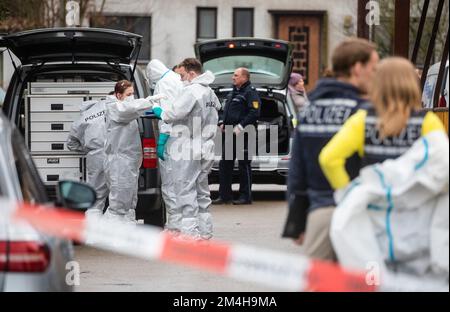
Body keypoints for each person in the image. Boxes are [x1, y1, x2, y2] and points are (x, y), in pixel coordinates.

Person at [281, 38, 379, 261]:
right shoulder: (365, 111)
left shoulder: (310, 110)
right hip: (360, 216)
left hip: (320, 213)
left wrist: (297, 220)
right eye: (373, 68)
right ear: (357, 68)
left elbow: (297, 169)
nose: (376, 75)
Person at [319, 57, 446, 191]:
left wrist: (347, 192)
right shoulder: (427, 121)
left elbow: (328, 159)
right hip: (415, 205)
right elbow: (444, 162)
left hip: (373, 204)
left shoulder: (363, 119)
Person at [152, 58, 220, 239]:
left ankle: (190, 235)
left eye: (182, 75)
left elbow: (174, 113)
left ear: (191, 73)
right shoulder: (210, 92)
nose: (180, 80)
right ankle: (205, 232)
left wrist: (160, 112)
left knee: (185, 189)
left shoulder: (191, 91)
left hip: (188, 146)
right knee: (201, 190)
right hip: (206, 145)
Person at [103, 80, 165, 224]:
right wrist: (148, 100)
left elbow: (136, 109)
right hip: (120, 162)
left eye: (133, 94)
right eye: (128, 94)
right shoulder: (115, 108)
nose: (132, 97)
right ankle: (113, 234)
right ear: (118, 95)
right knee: (119, 204)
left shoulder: (127, 108)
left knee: (129, 202)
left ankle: (126, 231)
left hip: (128, 162)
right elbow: (127, 109)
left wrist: (158, 109)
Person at [213, 68, 261, 205]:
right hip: (229, 133)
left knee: (243, 165)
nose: (233, 78)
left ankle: (245, 196)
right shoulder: (233, 92)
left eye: (236, 75)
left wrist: (240, 126)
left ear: (244, 78)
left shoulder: (250, 92)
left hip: (245, 133)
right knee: (225, 165)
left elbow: (254, 113)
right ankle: (224, 195)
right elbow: (223, 110)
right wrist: (222, 121)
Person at [146, 59, 183, 233]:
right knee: (182, 183)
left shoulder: (163, 83)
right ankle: (184, 223)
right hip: (183, 138)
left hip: (170, 139)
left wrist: (162, 139)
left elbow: (167, 114)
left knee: (169, 184)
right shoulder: (176, 78)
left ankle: (175, 225)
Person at [67, 97, 110, 219]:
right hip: (119, 154)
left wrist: (88, 149)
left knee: (96, 196)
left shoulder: (85, 116)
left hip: (96, 156)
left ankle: (93, 229)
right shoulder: (119, 109)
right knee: (119, 194)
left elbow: (71, 143)